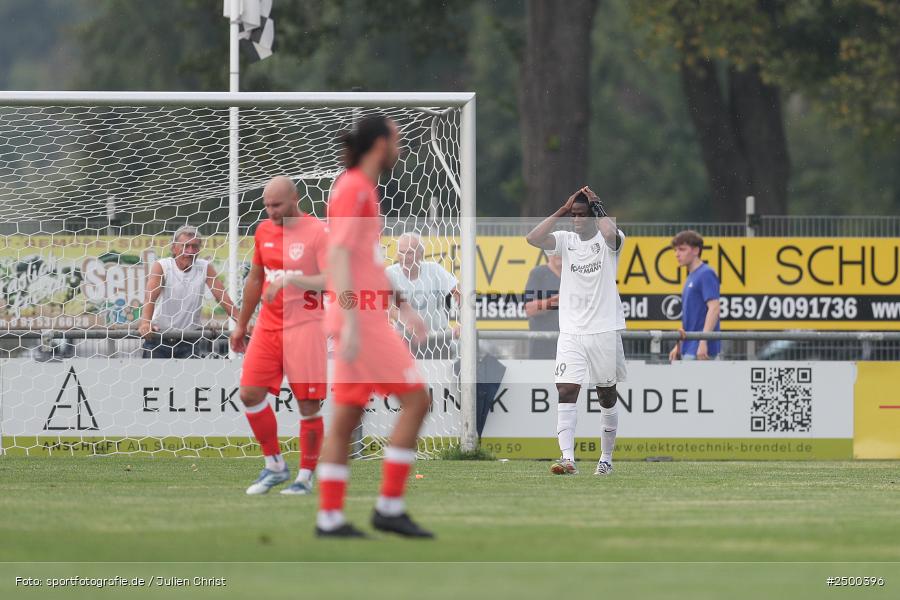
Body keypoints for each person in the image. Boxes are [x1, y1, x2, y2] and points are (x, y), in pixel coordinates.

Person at [316, 114, 434, 539]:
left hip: (361, 316)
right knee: (418, 401)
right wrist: (349, 318)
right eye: (397, 140)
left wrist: (402, 306)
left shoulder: (362, 188)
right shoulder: (353, 189)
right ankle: (388, 506)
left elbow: (366, 262)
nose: (400, 148)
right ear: (380, 144)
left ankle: (329, 518)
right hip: (361, 321)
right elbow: (339, 258)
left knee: (346, 417)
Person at [229, 176, 329, 496]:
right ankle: (274, 465)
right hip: (268, 328)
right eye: (267, 205)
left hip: (306, 327)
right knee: (249, 394)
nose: (271, 211)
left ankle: (305, 477)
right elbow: (256, 279)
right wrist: (242, 324)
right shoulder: (263, 230)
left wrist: (292, 281)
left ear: (295, 199)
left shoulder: (318, 232)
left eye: (277, 205)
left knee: (308, 405)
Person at [525, 186, 626, 477]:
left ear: (593, 216)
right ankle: (567, 458)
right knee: (566, 389)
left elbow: (611, 236)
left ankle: (606, 458)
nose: (577, 220)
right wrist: (561, 209)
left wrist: (598, 206)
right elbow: (532, 238)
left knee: (606, 395)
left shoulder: (608, 239)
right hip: (571, 330)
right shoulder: (565, 240)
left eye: (583, 215)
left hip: (604, 329)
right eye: (574, 215)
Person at [138, 226, 238, 358]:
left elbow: (223, 298)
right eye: (185, 246)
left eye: (195, 247)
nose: (190, 251)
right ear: (174, 248)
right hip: (159, 338)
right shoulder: (162, 266)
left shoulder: (204, 267)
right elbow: (150, 297)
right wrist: (145, 322)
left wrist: (242, 323)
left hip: (189, 340)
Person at [386, 232, 460, 359]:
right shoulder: (390, 273)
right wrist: (406, 321)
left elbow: (459, 292)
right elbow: (388, 306)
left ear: (421, 253)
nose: (404, 257)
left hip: (436, 338)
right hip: (404, 339)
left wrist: (463, 323)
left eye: (409, 253)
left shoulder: (434, 270)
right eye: (401, 252)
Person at [669, 230, 721, 361]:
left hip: (701, 351)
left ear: (696, 250)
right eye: (675, 250)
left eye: (682, 249)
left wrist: (703, 342)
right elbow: (691, 317)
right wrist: (679, 345)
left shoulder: (706, 273)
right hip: (690, 347)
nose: (677, 254)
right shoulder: (691, 277)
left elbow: (714, 308)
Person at [523, 253, 562, 359]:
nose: (559, 254)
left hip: (570, 345)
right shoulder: (538, 274)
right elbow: (530, 308)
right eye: (555, 250)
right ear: (548, 253)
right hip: (542, 345)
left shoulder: (575, 275)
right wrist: (556, 301)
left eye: (562, 249)